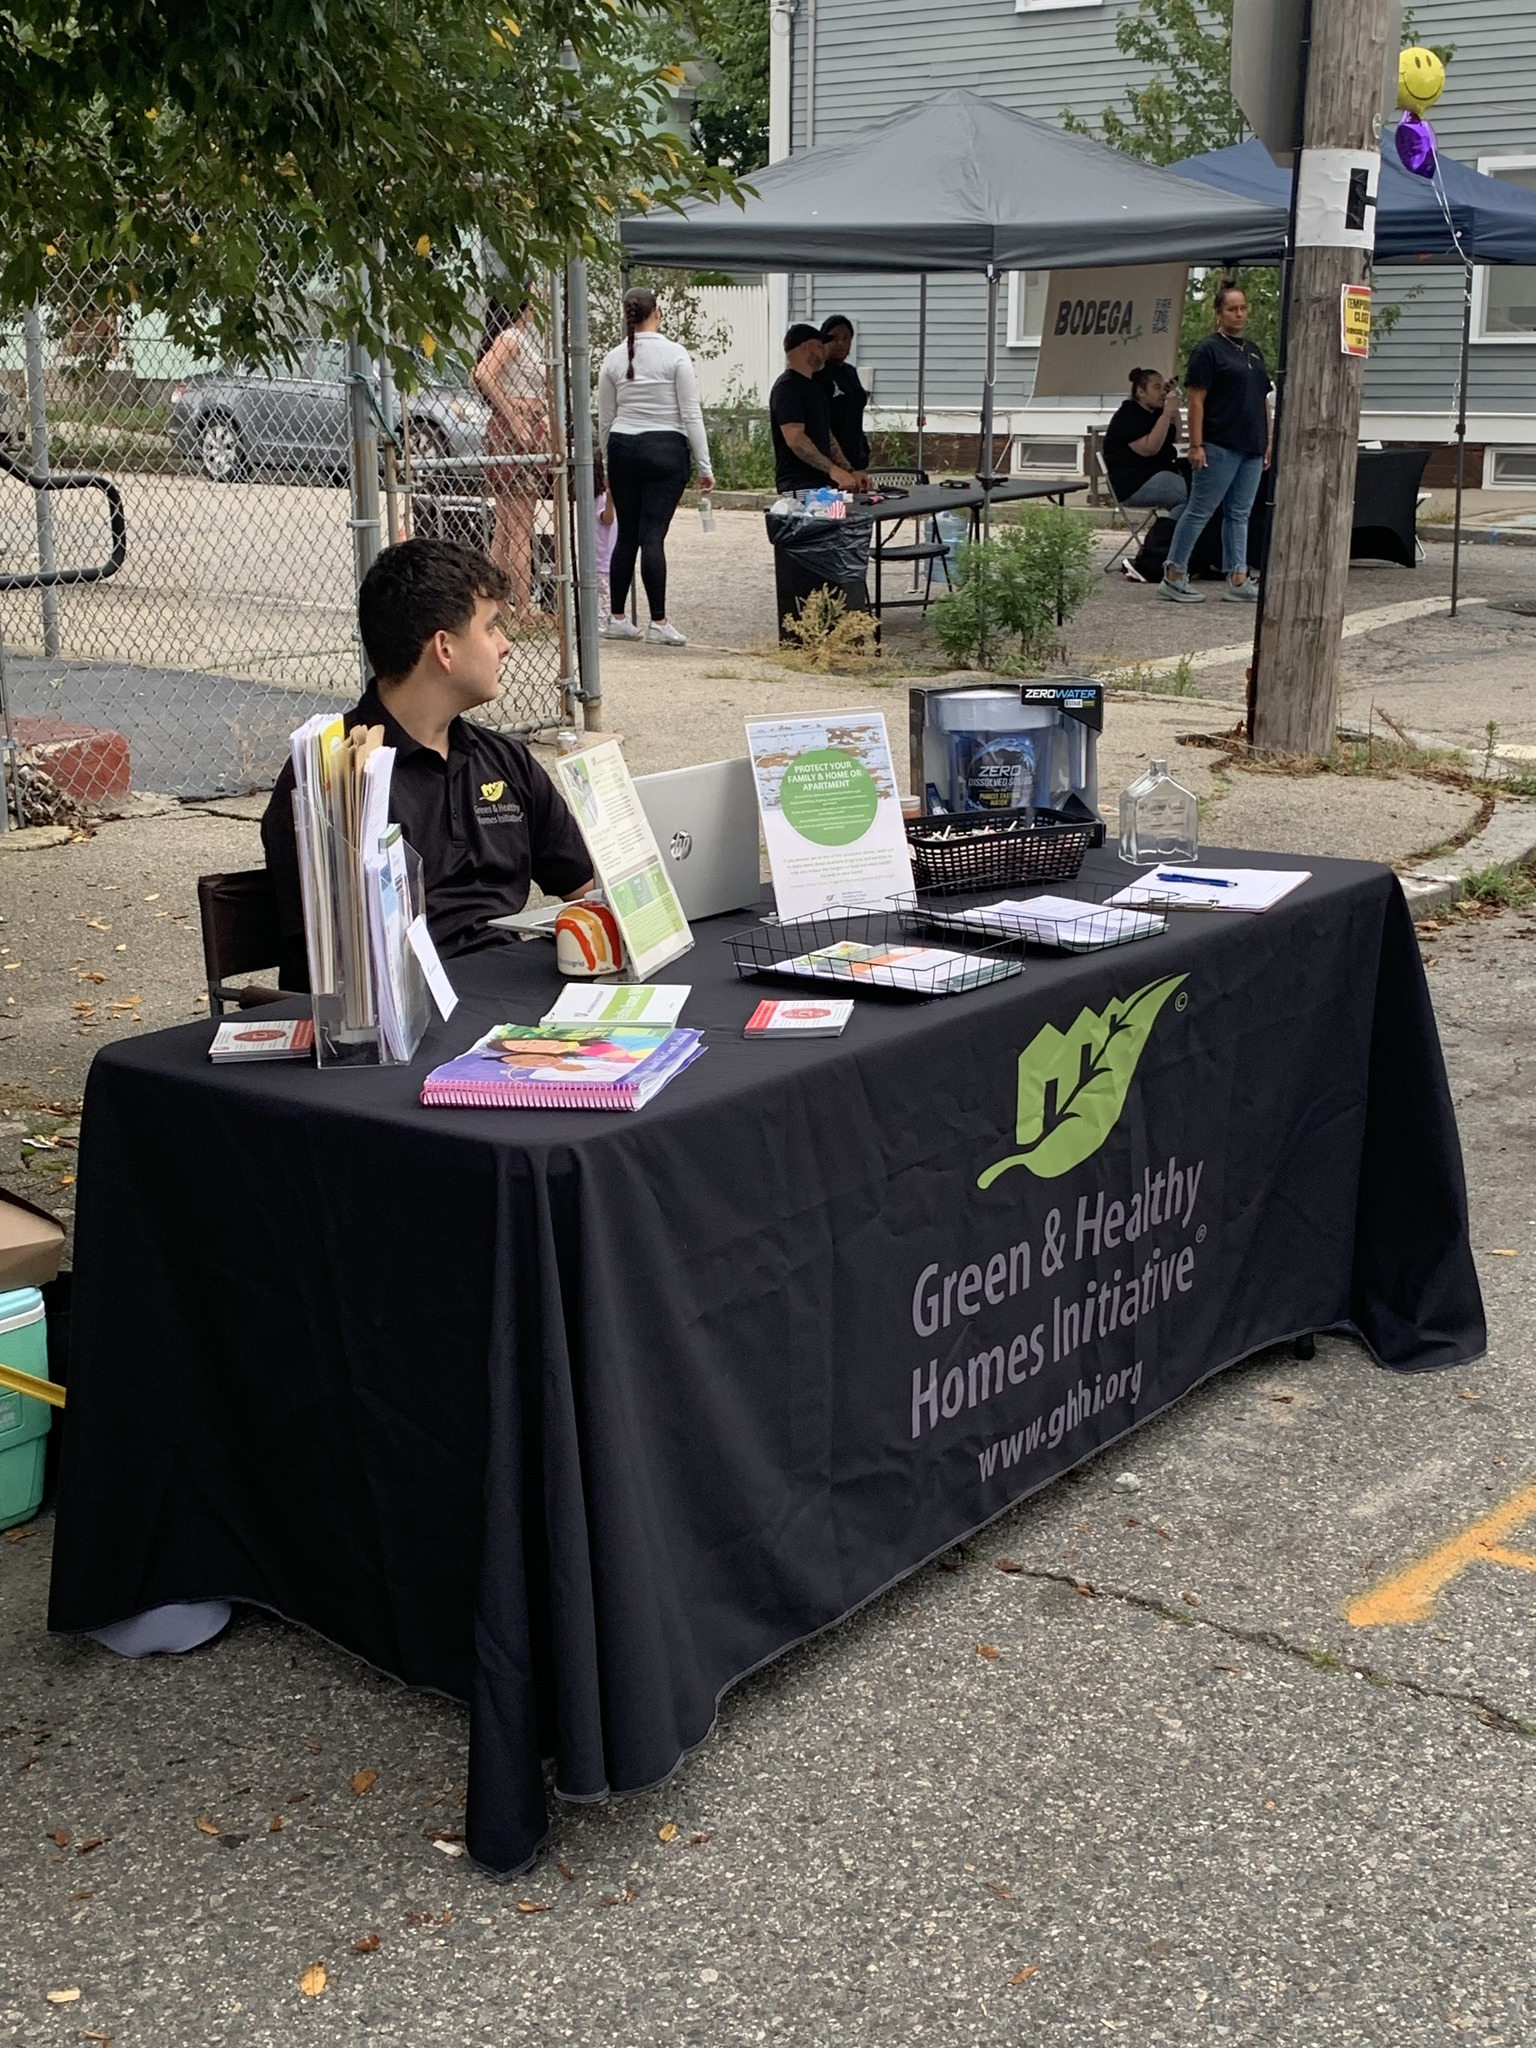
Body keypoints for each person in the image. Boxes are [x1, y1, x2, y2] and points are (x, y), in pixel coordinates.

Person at [261, 538, 593, 990]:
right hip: (408, 1008)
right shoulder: (336, 775)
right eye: (491, 628)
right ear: (444, 648)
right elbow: (335, 969)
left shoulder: (503, 759)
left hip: (515, 996)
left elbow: (586, 887)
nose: (506, 646)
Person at [597, 286, 714, 648]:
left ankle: (618, 618)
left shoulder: (613, 358)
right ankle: (658, 622)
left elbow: (605, 418)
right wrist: (704, 465)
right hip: (665, 449)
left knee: (626, 535)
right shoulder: (675, 355)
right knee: (652, 537)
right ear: (657, 313)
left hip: (623, 447)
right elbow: (690, 413)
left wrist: (608, 464)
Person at [1161, 282, 1273, 605]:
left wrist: (1268, 440)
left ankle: (1238, 576)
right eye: (1231, 309)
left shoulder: (1252, 351)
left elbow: (1263, 399)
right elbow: (1196, 400)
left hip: (1251, 445)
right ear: (1219, 313)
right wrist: (1196, 445)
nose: (1239, 314)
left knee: (1240, 513)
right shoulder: (1208, 350)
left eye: (1243, 308)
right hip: (1219, 443)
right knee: (1201, 509)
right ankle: (1174, 573)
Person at [470, 297, 549, 624]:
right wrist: (515, 417)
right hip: (519, 432)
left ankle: (499, 604)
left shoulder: (519, 338)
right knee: (519, 526)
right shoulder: (511, 337)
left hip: (518, 430)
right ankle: (523, 605)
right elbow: (484, 373)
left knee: (505, 526)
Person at [1103, 367, 1187, 584]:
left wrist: (1172, 408)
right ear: (1140, 392)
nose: (1162, 392)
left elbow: (1177, 436)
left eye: (1163, 387)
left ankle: (1184, 555)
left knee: (1202, 492)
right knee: (1188, 497)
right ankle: (1158, 554)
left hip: (1158, 474)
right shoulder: (1128, 415)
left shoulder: (1155, 413)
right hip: (1133, 482)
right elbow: (1149, 448)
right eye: (1156, 387)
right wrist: (1166, 413)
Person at [769, 324, 870, 496]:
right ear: (806, 347)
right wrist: (832, 469)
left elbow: (827, 436)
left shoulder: (815, 387)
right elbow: (795, 438)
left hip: (822, 484)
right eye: (819, 346)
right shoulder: (787, 387)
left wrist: (849, 470)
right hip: (799, 485)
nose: (824, 351)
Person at [816, 315, 871, 473]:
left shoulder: (850, 371)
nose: (840, 343)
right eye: (834, 338)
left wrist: (864, 446)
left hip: (856, 455)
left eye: (846, 338)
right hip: (832, 458)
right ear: (823, 341)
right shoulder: (819, 373)